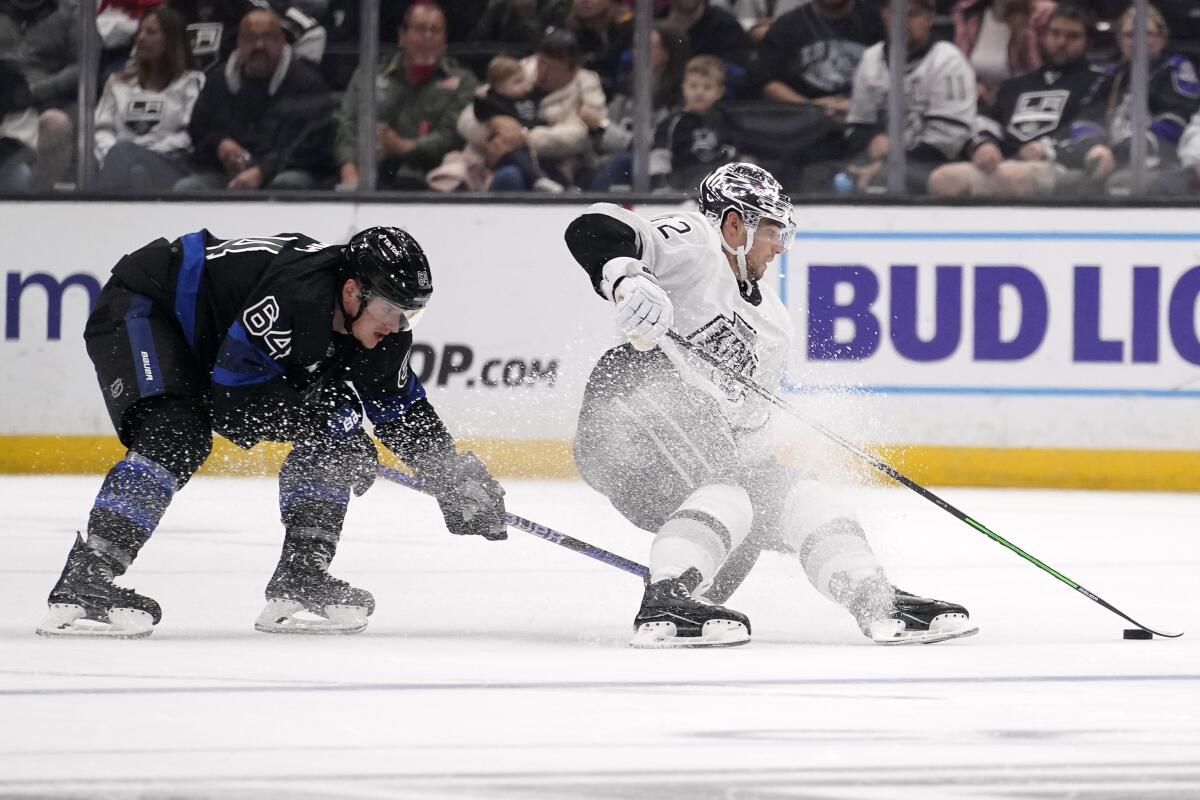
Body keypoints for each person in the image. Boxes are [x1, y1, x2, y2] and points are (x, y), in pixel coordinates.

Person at [562, 162, 977, 648]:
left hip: (697, 437)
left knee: (796, 495)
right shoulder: (696, 242)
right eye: (772, 228)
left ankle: (874, 598)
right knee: (731, 486)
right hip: (629, 408)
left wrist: (741, 537)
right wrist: (627, 279)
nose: (780, 245)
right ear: (734, 224)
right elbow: (594, 227)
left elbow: (747, 444)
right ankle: (665, 604)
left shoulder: (774, 325)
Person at [37, 226, 508, 639]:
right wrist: (337, 435)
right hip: (148, 305)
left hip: (216, 339)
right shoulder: (296, 298)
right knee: (179, 430)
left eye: (410, 313)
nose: (398, 325)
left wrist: (451, 477)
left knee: (336, 418)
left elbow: (402, 413)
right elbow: (232, 405)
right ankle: (88, 574)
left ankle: (303, 572)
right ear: (351, 292)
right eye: (390, 308)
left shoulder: (383, 331)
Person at [928, 3, 1104, 197]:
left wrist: (1048, 149)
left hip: (1057, 165)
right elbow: (986, 121)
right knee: (943, 178)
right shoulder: (1015, 85)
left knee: (1011, 177)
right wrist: (983, 143)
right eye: (1055, 33)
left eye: (1073, 36)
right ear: (1043, 36)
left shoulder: (1098, 81)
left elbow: (1091, 127)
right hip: (1005, 163)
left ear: (1090, 42)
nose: (1061, 42)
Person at [176, 7, 335, 190]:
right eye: (250, 38)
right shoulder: (218, 81)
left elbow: (312, 147)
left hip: (285, 172)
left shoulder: (307, 83)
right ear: (239, 42)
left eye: (268, 37)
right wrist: (219, 144)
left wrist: (262, 171)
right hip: (227, 175)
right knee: (188, 188)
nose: (259, 45)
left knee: (289, 183)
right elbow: (199, 130)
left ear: (282, 41)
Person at [335, 2, 476, 191]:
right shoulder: (369, 75)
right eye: (419, 29)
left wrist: (404, 146)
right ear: (402, 36)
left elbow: (450, 135)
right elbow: (347, 124)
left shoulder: (463, 82)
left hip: (430, 177)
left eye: (435, 30)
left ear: (445, 40)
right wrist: (349, 168)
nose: (428, 36)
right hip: (369, 170)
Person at [1061, 4, 1200, 195]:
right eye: (1129, 35)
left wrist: (1121, 152)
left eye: (1146, 34)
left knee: (1122, 183)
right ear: (1119, 41)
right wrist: (1094, 147)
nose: (1137, 41)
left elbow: (1175, 122)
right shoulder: (1110, 76)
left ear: (1162, 38)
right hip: (1105, 158)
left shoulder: (1175, 69)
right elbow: (1085, 119)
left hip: (1157, 160)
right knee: (1067, 183)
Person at [842, 0, 976, 194]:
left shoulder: (947, 60)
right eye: (896, 14)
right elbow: (857, 127)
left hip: (936, 167)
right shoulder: (871, 58)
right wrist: (872, 141)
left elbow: (948, 142)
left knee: (882, 181)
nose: (903, 21)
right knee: (828, 176)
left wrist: (889, 166)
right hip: (878, 162)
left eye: (913, 14)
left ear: (929, 19)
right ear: (886, 16)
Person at [456, 26, 604, 191]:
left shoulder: (587, 86)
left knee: (510, 176)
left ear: (572, 69)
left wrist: (523, 138)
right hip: (486, 157)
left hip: (551, 169)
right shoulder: (521, 69)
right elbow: (466, 119)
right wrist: (494, 125)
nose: (542, 71)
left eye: (551, 67)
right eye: (541, 62)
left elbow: (580, 135)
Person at [95, 7, 206, 192]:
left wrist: (141, 150)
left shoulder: (191, 83)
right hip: (117, 161)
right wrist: (114, 152)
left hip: (170, 163)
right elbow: (101, 129)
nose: (141, 38)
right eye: (140, 31)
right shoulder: (117, 83)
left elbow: (189, 134)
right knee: (135, 171)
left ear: (171, 41)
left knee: (129, 160)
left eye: (151, 32)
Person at [0, 0, 84, 190]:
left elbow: (85, 65)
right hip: (4, 102)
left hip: (50, 104)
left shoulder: (71, 12)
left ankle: (40, 196)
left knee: (56, 123)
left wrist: (40, 90)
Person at [472, 54, 563, 192]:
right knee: (518, 156)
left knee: (549, 164)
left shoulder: (529, 98)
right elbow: (481, 115)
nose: (523, 85)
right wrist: (478, 99)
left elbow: (530, 119)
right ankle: (537, 180)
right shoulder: (494, 101)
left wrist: (545, 124)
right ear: (498, 87)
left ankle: (566, 187)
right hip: (507, 149)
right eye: (516, 82)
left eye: (523, 80)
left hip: (530, 143)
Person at [650, 55, 741, 191]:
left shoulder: (727, 121)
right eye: (693, 86)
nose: (699, 92)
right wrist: (661, 187)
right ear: (684, 87)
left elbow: (736, 150)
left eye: (707, 87)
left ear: (719, 92)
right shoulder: (672, 123)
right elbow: (660, 156)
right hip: (683, 183)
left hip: (722, 182)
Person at [952, 0, 1055, 110]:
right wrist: (972, 84)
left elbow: (1046, 70)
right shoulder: (969, 13)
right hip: (980, 107)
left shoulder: (1043, 13)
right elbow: (960, 66)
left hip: (1028, 104)